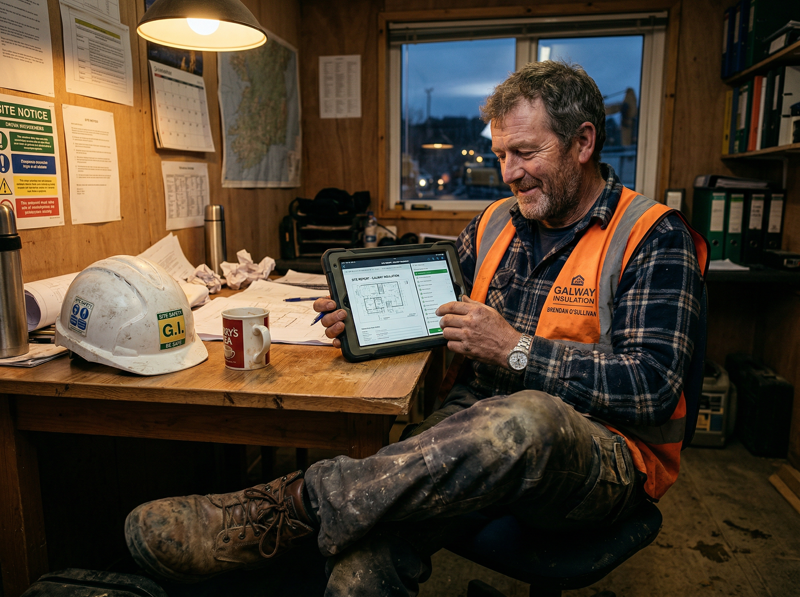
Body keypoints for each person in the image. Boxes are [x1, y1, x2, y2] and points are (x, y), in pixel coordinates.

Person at [124, 61, 708, 596]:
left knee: (528, 418)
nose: (509, 174)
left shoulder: (654, 236)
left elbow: (652, 387)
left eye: (526, 153)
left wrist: (517, 351)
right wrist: (368, 315)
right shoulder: (495, 222)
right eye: (501, 154)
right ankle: (302, 519)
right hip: (470, 432)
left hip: (600, 456)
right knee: (362, 562)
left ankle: (293, 504)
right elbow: (436, 301)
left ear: (583, 142)